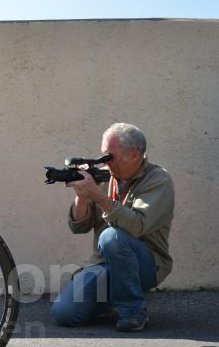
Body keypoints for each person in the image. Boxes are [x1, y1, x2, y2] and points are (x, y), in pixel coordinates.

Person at [50, 123, 175, 332]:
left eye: (110, 157)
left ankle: (133, 312)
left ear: (134, 155)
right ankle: (112, 297)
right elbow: (79, 227)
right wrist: (82, 197)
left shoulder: (158, 180)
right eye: (103, 156)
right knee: (63, 314)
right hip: (104, 263)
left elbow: (137, 225)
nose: (105, 163)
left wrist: (99, 196)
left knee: (111, 237)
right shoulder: (105, 176)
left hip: (146, 264)